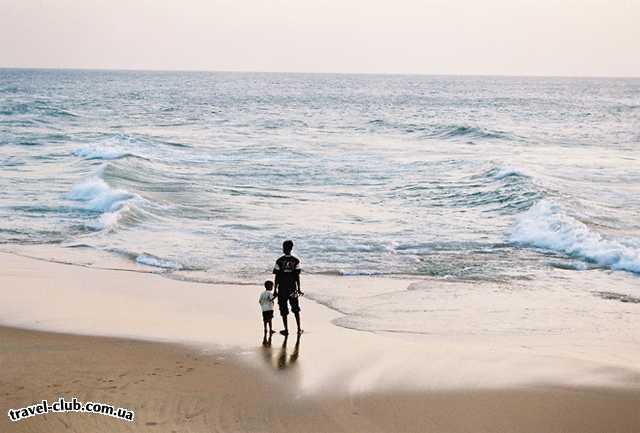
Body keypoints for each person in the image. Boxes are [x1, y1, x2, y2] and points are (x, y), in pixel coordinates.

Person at [273, 240, 303, 336]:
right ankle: (299, 328)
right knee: (295, 308)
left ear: (283, 248)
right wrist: (298, 288)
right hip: (292, 288)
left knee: (283, 309)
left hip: (282, 288)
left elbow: (276, 276)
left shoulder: (279, 261)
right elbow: (297, 276)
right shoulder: (296, 261)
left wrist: (275, 290)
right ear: (291, 248)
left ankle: (286, 329)